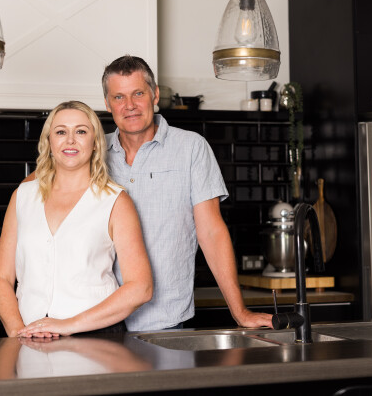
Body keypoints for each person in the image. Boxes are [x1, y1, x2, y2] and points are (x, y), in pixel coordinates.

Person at [102, 55, 273, 331]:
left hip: (166, 321)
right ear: (107, 103)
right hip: (101, 322)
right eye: (119, 97)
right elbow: (47, 183)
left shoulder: (191, 148)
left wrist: (240, 312)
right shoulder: (94, 152)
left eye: (138, 93)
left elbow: (211, 233)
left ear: (155, 95)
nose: (129, 105)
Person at [0, 100, 153, 338]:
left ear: (95, 143)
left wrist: (67, 325)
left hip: (96, 340)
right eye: (61, 132)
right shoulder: (22, 196)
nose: (70, 140)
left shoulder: (116, 202)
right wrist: (17, 331)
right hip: (30, 337)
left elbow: (141, 287)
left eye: (81, 132)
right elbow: (0, 278)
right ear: (49, 142)